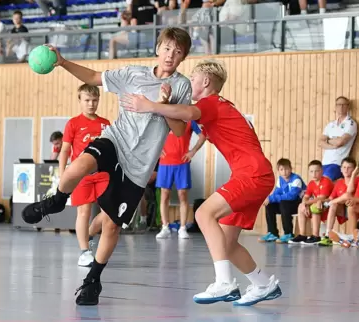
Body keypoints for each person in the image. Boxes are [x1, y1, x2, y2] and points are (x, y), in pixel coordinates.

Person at [21, 27, 192, 306]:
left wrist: (158, 105)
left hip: (138, 165)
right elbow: (92, 77)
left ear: (183, 56)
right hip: (116, 140)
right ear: (157, 48)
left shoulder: (181, 86)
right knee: (79, 166)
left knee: (111, 227)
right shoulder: (133, 73)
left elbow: (179, 130)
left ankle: (93, 280)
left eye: (177, 51)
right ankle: (56, 201)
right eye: (167, 47)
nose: (170, 54)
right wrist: (63, 62)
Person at [121, 59, 281, 307]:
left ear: (205, 82)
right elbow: (179, 123)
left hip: (252, 174)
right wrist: (163, 104)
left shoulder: (211, 104)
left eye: (193, 79)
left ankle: (225, 283)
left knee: (204, 213)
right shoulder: (216, 107)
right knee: (226, 244)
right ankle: (263, 284)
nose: (190, 83)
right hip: (254, 175)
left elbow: (187, 113)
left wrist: (149, 105)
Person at [59, 84, 111, 267]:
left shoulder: (105, 123)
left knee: (108, 214)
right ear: (80, 101)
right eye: (87, 100)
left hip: (104, 174)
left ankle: (89, 234)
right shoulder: (73, 123)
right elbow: (65, 151)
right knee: (84, 211)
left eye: (95, 100)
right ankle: (84, 251)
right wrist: (62, 175)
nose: (91, 104)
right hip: (81, 176)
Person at [156, 120, 206, 239]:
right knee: (164, 194)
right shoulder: (164, 120)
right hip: (165, 163)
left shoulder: (189, 121)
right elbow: (149, 135)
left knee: (182, 194)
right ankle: (165, 227)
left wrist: (192, 151)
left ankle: (182, 228)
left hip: (182, 163)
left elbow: (203, 136)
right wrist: (156, 150)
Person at [258, 158, 306, 244]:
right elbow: (276, 193)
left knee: (284, 203)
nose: (284, 172)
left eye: (286, 169)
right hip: (286, 205)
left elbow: (292, 196)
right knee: (270, 204)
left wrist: (272, 198)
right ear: (278, 171)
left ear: (291, 169)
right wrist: (268, 199)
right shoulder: (280, 179)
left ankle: (288, 233)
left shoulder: (296, 179)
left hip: (298, 204)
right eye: (281, 169)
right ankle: (273, 233)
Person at [288, 160, 334, 245]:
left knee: (314, 207)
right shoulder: (311, 183)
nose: (314, 174)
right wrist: (304, 205)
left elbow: (321, 198)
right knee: (300, 206)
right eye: (311, 171)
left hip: (330, 205)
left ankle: (316, 236)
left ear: (322, 171)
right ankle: (302, 235)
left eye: (317, 171)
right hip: (320, 204)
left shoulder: (326, 181)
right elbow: (306, 197)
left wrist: (306, 203)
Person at [319, 157, 358, 246]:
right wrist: (322, 201)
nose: (346, 170)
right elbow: (331, 198)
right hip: (343, 210)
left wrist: (330, 202)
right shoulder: (339, 183)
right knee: (333, 204)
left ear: (354, 169)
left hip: (355, 209)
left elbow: (350, 194)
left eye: (349, 167)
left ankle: (354, 237)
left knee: (345, 196)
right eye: (344, 167)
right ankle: (328, 235)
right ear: (340, 169)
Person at [317, 96, 357, 181]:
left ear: (348, 106)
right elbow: (320, 142)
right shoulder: (331, 125)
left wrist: (328, 141)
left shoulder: (351, 123)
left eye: (343, 104)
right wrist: (333, 144)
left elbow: (340, 142)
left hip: (338, 163)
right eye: (339, 105)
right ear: (335, 107)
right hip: (325, 162)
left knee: (325, 183)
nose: (341, 107)